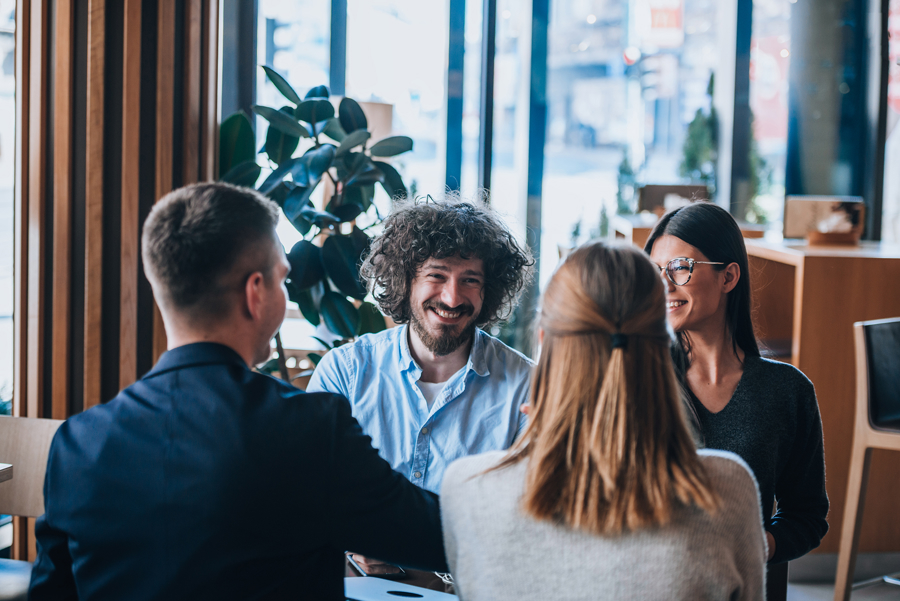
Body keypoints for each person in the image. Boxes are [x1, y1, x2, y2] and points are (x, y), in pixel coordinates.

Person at [28, 183, 447, 601]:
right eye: (283, 279)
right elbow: (439, 535)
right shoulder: (310, 429)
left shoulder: (77, 443)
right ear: (255, 292)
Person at [440, 241, 767, 601]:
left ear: (544, 340)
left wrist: (538, 434)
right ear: (664, 343)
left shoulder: (466, 487)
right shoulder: (727, 490)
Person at [307, 196, 535, 495]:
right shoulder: (345, 373)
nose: (452, 298)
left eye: (469, 280)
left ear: (488, 290)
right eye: (436, 276)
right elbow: (308, 489)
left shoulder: (527, 387)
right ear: (405, 280)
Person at [644, 201, 828, 565]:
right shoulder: (638, 380)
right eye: (655, 270)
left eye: (680, 267)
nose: (664, 283)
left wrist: (753, 547)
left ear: (728, 277)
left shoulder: (788, 391)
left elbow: (806, 516)